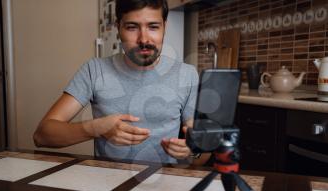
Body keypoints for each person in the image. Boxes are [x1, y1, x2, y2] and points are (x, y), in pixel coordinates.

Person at [33, 0, 208, 164]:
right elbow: (42, 135)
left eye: (153, 27)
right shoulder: (94, 70)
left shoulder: (187, 75)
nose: (144, 39)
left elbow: (204, 150)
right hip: (108, 186)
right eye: (132, 27)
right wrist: (95, 128)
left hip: (164, 185)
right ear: (118, 28)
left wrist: (192, 149)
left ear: (164, 27)